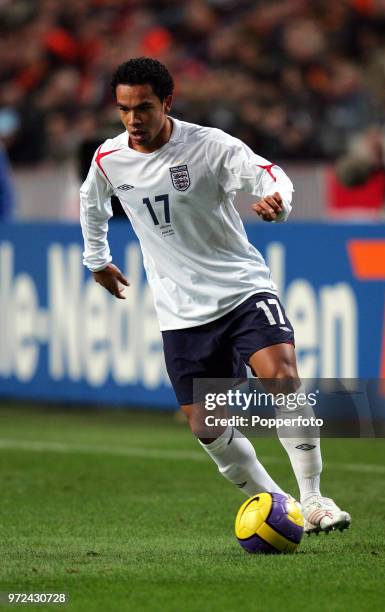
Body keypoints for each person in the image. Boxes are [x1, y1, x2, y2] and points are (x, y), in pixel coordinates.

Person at [80, 57, 351, 534]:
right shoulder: (109, 158)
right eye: (123, 109)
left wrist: (278, 203)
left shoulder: (209, 146)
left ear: (167, 101)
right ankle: (279, 504)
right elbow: (91, 205)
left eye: (143, 107)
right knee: (207, 427)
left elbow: (271, 176)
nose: (133, 120)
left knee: (283, 376)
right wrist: (97, 260)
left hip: (241, 288)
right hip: (180, 311)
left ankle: (313, 499)